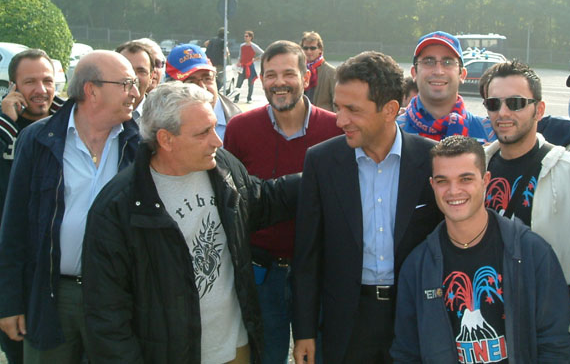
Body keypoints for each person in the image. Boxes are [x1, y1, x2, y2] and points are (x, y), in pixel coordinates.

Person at [81, 82, 300, 363]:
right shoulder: (118, 208)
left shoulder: (222, 167)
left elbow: (260, 201)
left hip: (236, 348)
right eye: (203, 133)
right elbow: (107, 316)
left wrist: (320, 173)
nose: (217, 141)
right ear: (166, 139)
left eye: (214, 128)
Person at [292, 51, 443, 364]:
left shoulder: (432, 160)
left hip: (413, 317)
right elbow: (307, 256)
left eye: (353, 110)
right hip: (347, 322)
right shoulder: (321, 162)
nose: (340, 120)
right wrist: (304, 331)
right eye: (338, 107)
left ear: (390, 110)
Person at [0, 51, 140, 361]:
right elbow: (14, 227)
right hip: (51, 297)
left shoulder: (140, 143)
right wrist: (9, 302)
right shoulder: (38, 139)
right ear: (92, 90)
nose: (135, 91)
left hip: (118, 299)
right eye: (126, 83)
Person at [391, 135, 570, 362]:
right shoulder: (418, 267)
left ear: (486, 180)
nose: (454, 191)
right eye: (443, 181)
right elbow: (407, 352)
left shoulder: (532, 252)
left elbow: (555, 345)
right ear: (432, 185)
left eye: (465, 179)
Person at [224, 40, 341, 364]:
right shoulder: (240, 129)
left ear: (306, 77)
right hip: (261, 274)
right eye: (270, 75)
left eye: (289, 73)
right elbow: (230, 202)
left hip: (320, 273)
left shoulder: (335, 129)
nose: (279, 82)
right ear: (261, 79)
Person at [479, 60, 570, 360]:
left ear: (539, 110)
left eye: (515, 103)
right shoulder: (475, 168)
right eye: (493, 104)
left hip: (552, 334)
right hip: (492, 333)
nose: (503, 113)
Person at [0, 49, 64, 364]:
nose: (41, 90)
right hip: (13, 269)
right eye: (30, 82)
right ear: (13, 87)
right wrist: (6, 124)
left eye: (47, 81)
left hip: (58, 274)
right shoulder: (4, 128)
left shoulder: (71, 123)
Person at [396, 31, 491, 143]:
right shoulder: (391, 133)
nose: (438, 71)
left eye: (447, 62)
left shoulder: (489, 134)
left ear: (462, 74)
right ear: (414, 73)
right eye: (428, 62)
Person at [166, 43, 241, 140]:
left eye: (207, 78)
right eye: (191, 82)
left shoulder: (240, 123)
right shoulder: (159, 124)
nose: (202, 87)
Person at [115, 40, 155, 123]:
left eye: (141, 71)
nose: (134, 77)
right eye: (127, 70)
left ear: (151, 77)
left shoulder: (161, 118)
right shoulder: (98, 115)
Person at [300, 31, 336, 112]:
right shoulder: (298, 71)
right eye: (305, 48)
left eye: (312, 48)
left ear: (320, 49)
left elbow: (337, 103)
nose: (309, 51)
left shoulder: (331, 72)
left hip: (323, 117)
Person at [234, 30, 264, 104]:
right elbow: (240, 55)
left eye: (246, 36)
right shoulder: (242, 46)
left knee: (251, 83)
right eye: (244, 36)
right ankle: (236, 98)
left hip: (250, 66)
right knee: (239, 83)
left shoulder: (254, 46)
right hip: (242, 66)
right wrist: (238, 62)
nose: (245, 37)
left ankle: (249, 98)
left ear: (250, 37)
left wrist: (255, 59)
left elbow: (263, 53)